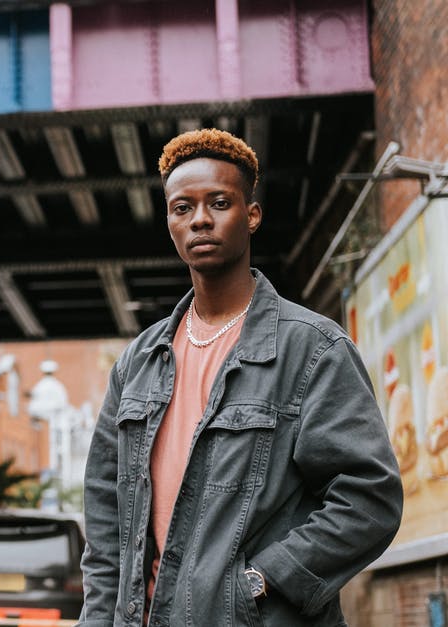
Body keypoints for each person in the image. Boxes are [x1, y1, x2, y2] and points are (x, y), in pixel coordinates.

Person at [79, 129, 403, 626]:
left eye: (219, 203)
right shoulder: (136, 364)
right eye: (182, 208)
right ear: (170, 222)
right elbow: (106, 528)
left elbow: (369, 497)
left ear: (251, 215)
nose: (199, 219)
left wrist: (261, 581)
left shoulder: (313, 348)